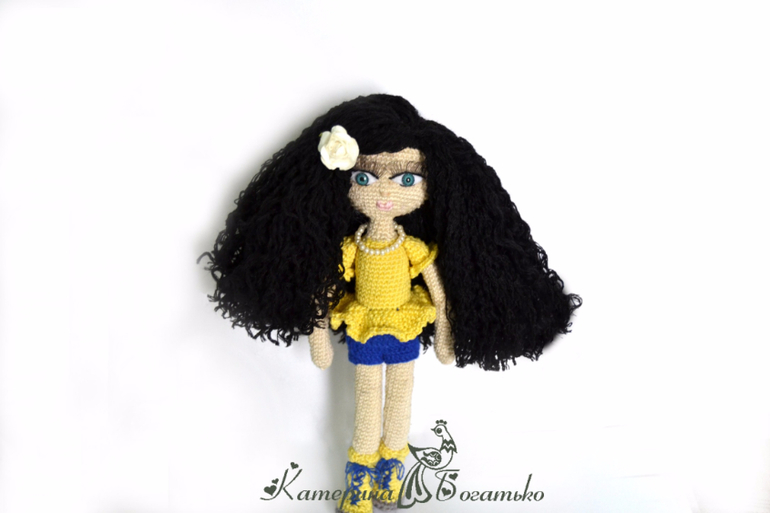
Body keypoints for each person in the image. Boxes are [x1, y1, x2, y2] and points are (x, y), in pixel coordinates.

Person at [203, 94, 580, 512]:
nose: (384, 193)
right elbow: (325, 289)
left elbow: (439, 294)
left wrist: (445, 336)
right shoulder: (352, 247)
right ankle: (359, 489)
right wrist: (318, 333)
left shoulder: (413, 247)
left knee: (400, 407)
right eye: (364, 178)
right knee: (368, 408)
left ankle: (390, 481)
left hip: (404, 329)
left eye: (406, 179)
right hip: (365, 330)